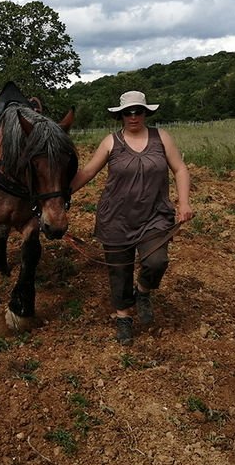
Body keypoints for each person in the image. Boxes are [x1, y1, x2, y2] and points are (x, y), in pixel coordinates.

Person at [70, 91, 194, 345]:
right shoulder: (111, 142)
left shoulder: (162, 138)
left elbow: (180, 168)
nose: (134, 116)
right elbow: (89, 171)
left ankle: (143, 292)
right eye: (128, 112)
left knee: (156, 262)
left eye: (138, 111)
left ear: (146, 112)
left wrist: (184, 202)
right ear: (121, 116)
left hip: (155, 215)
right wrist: (58, 195)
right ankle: (123, 317)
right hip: (116, 217)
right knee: (120, 271)